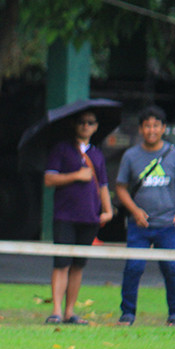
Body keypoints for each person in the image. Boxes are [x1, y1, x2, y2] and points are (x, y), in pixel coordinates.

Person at [114, 106, 175, 327]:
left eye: (156, 125)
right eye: (147, 126)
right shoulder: (131, 155)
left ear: (163, 128)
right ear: (141, 129)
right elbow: (120, 187)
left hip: (168, 223)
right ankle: (127, 314)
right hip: (140, 224)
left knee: (171, 269)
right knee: (134, 268)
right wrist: (135, 211)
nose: (151, 130)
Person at [43, 110, 114, 325]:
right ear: (75, 125)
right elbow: (49, 178)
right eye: (81, 122)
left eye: (90, 122)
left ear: (95, 127)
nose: (85, 126)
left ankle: (70, 312)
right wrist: (76, 175)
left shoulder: (97, 154)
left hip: (89, 217)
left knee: (78, 265)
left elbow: (103, 184)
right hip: (65, 215)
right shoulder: (62, 149)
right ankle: (56, 310)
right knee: (61, 263)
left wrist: (108, 210)